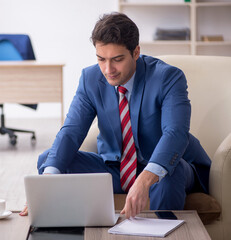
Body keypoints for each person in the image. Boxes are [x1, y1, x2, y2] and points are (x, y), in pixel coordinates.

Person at [20, 12, 211, 218]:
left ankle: (162, 231)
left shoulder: (168, 77)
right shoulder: (90, 79)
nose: (108, 69)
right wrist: (48, 179)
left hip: (170, 165)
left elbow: (175, 132)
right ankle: (68, 226)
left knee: (168, 176)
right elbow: (71, 131)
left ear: (136, 52)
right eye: (101, 59)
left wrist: (146, 178)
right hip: (116, 168)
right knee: (50, 161)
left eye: (117, 60)